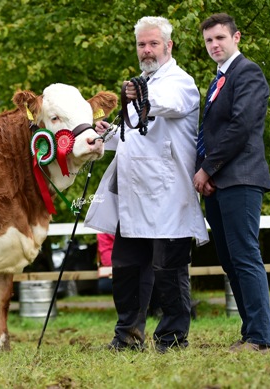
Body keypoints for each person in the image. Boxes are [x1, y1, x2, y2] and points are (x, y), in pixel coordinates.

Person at [85, 16, 209, 353]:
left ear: (168, 46)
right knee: (126, 270)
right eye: (142, 44)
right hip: (134, 194)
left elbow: (162, 105)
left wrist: (139, 96)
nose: (147, 50)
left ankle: (171, 337)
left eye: (153, 43)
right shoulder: (140, 83)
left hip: (168, 193)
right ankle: (127, 335)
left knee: (168, 272)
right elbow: (133, 135)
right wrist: (106, 134)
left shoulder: (180, 82)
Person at [193, 13, 270, 353]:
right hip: (219, 182)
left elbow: (240, 127)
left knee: (244, 256)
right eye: (209, 40)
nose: (214, 45)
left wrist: (207, 169)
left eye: (220, 38)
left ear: (236, 38)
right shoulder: (218, 80)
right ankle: (250, 331)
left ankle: (260, 338)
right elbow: (209, 133)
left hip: (240, 178)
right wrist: (206, 173)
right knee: (229, 259)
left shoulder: (248, 73)